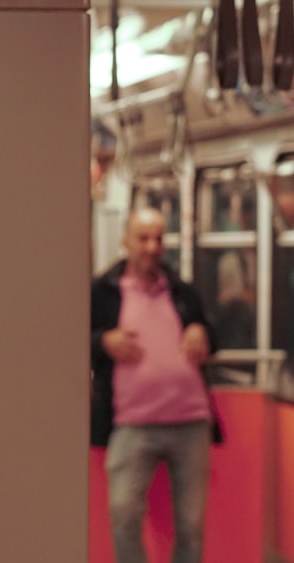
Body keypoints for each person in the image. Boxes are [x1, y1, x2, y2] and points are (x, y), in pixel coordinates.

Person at [90, 207, 223, 563]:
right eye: (143, 237)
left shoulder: (182, 291)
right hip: (132, 424)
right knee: (123, 515)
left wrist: (200, 331)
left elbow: (213, 335)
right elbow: (74, 343)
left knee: (192, 526)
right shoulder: (103, 292)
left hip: (191, 422)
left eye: (159, 238)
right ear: (126, 241)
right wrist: (104, 341)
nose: (152, 246)